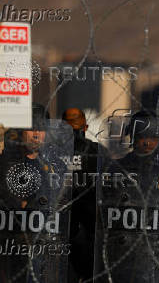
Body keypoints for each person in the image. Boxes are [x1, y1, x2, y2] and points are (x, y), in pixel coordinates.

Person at [0, 103, 70, 283]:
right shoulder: (1, 164)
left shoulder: (56, 168)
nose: (36, 134)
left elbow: (64, 209)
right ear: (21, 131)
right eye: (31, 129)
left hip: (41, 253)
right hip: (6, 251)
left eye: (41, 130)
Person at [93, 110, 159, 283]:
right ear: (132, 138)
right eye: (142, 136)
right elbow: (104, 210)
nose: (147, 141)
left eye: (153, 137)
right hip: (125, 255)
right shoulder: (117, 169)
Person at [62, 108, 98, 282]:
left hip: (61, 229)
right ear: (86, 127)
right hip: (88, 230)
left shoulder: (50, 152)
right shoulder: (97, 152)